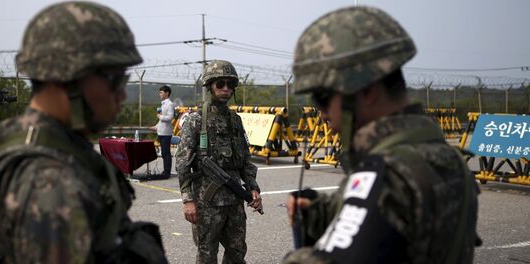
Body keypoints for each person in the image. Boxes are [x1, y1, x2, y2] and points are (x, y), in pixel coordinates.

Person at [283, 6, 480, 264]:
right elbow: (391, 224)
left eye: (323, 97)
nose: (321, 113)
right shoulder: (442, 158)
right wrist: (321, 210)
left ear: (365, 90)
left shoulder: (387, 174)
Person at [0, 2, 167, 263]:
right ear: (67, 79)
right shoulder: (49, 182)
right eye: (115, 81)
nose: (122, 94)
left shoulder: (47, 145)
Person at [176, 60, 262, 264]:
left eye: (230, 84)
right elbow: (182, 162)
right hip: (207, 202)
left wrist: (253, 187)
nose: (226, 88)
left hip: (235, 199)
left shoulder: (235, 120)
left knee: (237, 250)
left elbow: (245, 160)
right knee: (207, 253)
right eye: (220, 83)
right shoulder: (196, 121)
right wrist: (188, 200)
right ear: (210, 86)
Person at [151, 85, 174, 178]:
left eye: (161, 92)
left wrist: (160, 116)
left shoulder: (170, 104)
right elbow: (161, 120)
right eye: (159, 92)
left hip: (166, 133)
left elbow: (170, 117)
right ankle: (165, 171)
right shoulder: (163, 103)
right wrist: (156, 126)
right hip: (161, 132)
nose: (159, 94)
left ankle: (167, 173)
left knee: (166, 153)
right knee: (163, 153)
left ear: (167, 93)